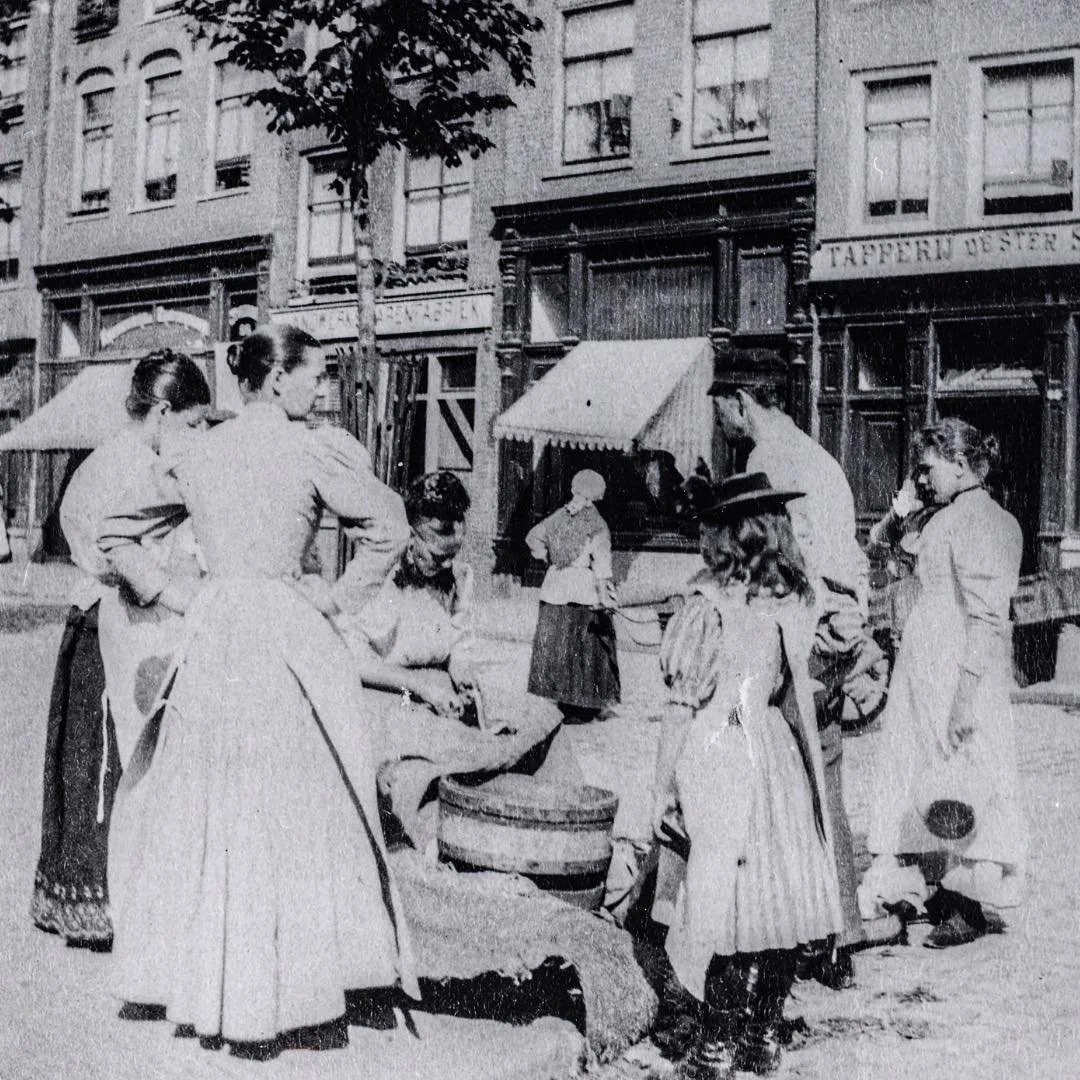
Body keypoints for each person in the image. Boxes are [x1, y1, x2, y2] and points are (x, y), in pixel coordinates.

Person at [97, 323, 418, 1051]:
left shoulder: (201, 449)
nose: (322, 387)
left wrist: (175, 594)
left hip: (214, 627)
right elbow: (390, 527)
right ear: (278, 381)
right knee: (284, 801)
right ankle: (282, 989)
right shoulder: (309, 448)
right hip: (279, 627)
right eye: (315, 375)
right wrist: (335, 601)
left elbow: (113, 529)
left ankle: (202, 984)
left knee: (211, 799)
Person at [652, 472, 843, 1079]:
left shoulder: (707, 606)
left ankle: (714, 1045)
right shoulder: (790, 599)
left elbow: (683, 704)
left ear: (725, 535)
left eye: (709, 526)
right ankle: (763, 1033)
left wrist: (660, 788)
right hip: (775, 752)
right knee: (778, 897)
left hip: (721, 748)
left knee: (723, 901)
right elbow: (793, 678)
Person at [31, 350, 210, 947]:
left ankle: (89, 895)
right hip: (112, 626)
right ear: (161, 411)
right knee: (108, 756)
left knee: (100, 755)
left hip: (111, 620)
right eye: (190, 423)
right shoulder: (131, 466)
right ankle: (103, 898)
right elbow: (109, 553)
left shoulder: (111, 460)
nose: (194, 437)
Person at [709, 373, 881, 985]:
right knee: (823, 777)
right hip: (830, 628)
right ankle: (840, 932)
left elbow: (779, 558)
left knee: (776, 790)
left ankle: (783, 933)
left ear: (741, 402)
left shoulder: (766, 459)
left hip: (792, 635)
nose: (723, 422)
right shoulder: (820, 456)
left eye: (721, 407)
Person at [333, 469, 573, 849]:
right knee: (448, 758)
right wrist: (419, 685)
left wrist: (460, 668)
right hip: (389, 697)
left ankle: (552, 831)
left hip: (439, 694)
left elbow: (460, 640)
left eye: (453, 555)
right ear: (411, 535)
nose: (446, 565)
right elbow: (352, 659)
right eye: (436, 554)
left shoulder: (457, 577)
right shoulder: (381, 579)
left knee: (537, 721)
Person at [861, 418, 1026, 949]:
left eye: (929, 468)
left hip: (958, 671)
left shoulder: (983, 522)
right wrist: (901, 508)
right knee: (927, 778)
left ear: (959, 463)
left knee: (962, 780)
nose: (924, 479)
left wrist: (962, 699)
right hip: (928, 668)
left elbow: (985, 618)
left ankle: (966, 905)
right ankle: (941, 891)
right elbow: (880, 547)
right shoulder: (945, 518)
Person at [526, 469, 621, 723]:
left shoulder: (558, 517)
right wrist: (605, 597)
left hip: (555, 586)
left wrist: (550, 558)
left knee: (558, 644)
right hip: (582, 588)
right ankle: (586, 703)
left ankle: (558, 697)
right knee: (586, 645)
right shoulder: (597, 525)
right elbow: (601, 566)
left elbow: (533, 537)